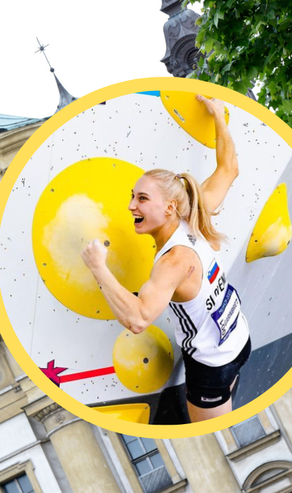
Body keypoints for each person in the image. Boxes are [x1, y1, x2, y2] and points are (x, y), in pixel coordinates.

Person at [81, 95, 251, 423]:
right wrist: (217, 115)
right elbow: (229, 168)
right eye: (132, 196)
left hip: (211, 365)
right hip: (239, 338)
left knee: (212, 435)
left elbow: (138, 320)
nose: (131, 206)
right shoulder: (195, 216)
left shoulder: (174, 262)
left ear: (169, 207)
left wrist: (97, 267)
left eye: (142, 198)